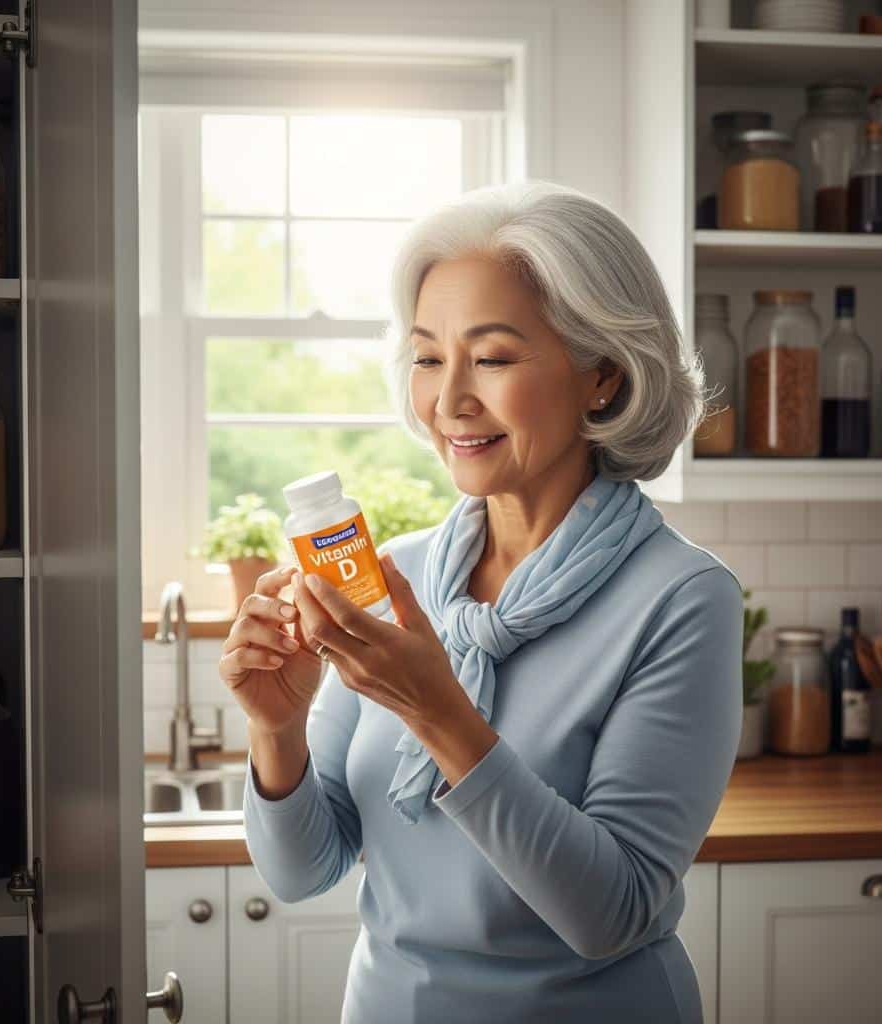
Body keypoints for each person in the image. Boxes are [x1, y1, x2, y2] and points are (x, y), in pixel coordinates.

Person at [219, 181, 743, 1023]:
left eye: (492, 357)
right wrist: (275, 729)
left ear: (602, 376)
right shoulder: (397, 574)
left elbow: (611, 915)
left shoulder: (682, 599)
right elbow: (302, 869)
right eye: (429, 357)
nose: (449, 400)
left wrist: (439, 712)